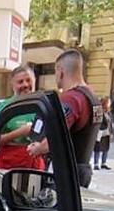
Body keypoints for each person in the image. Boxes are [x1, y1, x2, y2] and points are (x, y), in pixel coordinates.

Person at [26, 48, 103, 187]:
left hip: (68, 174)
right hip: (82, 170)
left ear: (61, 71)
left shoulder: (72, 98)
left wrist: (37, 148)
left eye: (55, 72)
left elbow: (56, 135)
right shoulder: (92, 97)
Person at [0, 65, 45, 170]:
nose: (25, 85)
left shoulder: (43, 105)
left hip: (36, 166)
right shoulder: (4, 108)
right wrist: (20, 132)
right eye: (20, 82)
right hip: (10, 166)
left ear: (34, 81)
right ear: (12, 85)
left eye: (28, 80)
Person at [95, 96, 114, 170]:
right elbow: (96, 122)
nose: (110, 103)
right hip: (100, 132)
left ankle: (103, 163)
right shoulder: (99, 110)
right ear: (105, 103)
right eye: (109, 102)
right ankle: (96, 164)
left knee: (106, 148)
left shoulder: (109, 112)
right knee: (97, 148)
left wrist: (112, 132)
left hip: (107, 132)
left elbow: (111, 123)